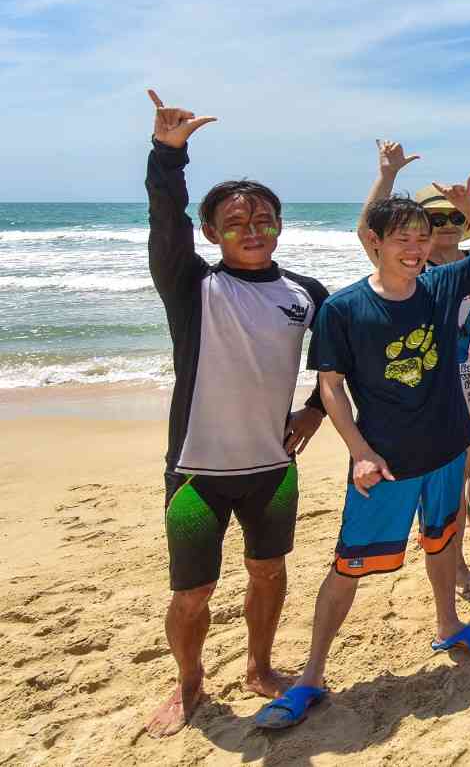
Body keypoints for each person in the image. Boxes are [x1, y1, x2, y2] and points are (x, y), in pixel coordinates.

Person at [253, 165, 470, 729]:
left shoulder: (439, 284)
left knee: (442, 543)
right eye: (401, 238)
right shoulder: (344, 308)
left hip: (446, 448)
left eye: (421, 238)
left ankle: (448, 625)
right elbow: (331, 387)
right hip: (385, 464)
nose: (414, 248)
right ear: (376, 242)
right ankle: (312, 676)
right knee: (349, 567)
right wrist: (360, 450)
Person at [142, 90, 329, 738]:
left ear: (280, 224)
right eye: (236, 221)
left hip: (273, 468)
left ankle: (257, 664)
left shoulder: (306, 294)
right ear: (211, 232)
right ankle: (189, 681)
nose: (252, 229)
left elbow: (342, 364)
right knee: (192, 593)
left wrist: (312, 413)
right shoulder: (192, 285)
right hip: (197, 471)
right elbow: (164, 220)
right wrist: (168, 155)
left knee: (269, 570)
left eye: (263, 219)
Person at [355, 141, 470, 592]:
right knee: (454, 477)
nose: (446, 225)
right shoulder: (413, 268)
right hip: (442, 387)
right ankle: (458, 561)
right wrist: (385, 175)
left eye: (454, 217)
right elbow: (369, 231)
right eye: (435, 218)